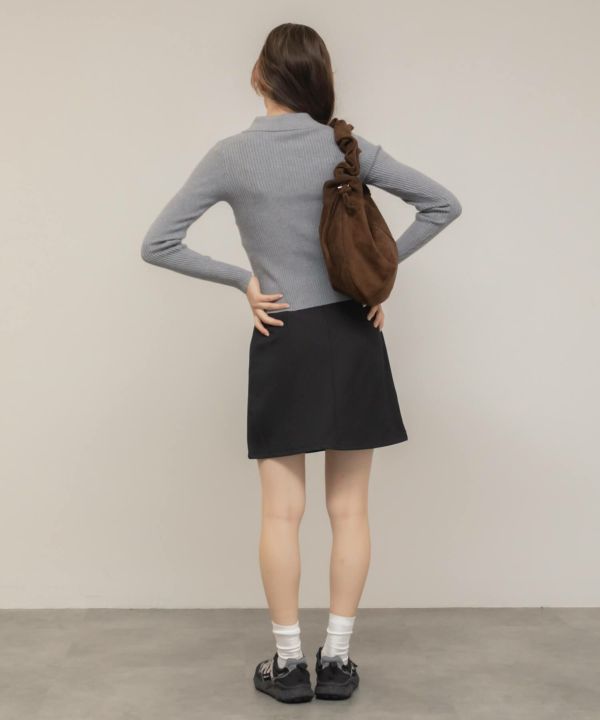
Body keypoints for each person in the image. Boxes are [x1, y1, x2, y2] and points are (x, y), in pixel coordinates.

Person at [141, 22, 461, 704]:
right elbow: (443, 205)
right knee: (350, 510)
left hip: (284, 337)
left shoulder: (231, 156)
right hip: (351, 333)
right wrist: (373, 276)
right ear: (319, 79)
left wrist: (245, 282)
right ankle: (336, 662)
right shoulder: (345, 148)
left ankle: (288, 667)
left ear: (259, 76)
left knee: (280, 514)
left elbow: (158, 243)